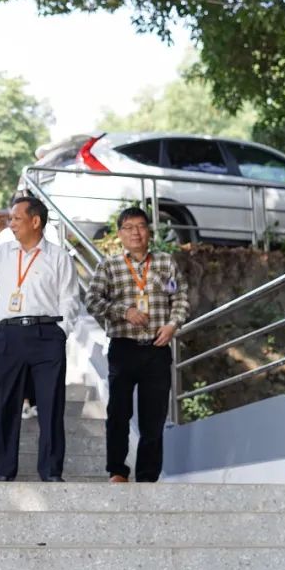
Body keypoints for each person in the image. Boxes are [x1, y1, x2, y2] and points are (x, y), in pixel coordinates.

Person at [0, 196, 78, 481]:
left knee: (51, 405)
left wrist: (61, 333)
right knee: (4, 405)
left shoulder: (59, 257)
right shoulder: (2, 253)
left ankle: (51, 472)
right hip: (9, 334)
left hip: (47, 335)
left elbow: (70, 300)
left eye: (17, 218)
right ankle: (4, 472)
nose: (11, 224)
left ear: (35, 221)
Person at [85, 206, 190, 483]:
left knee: (153, 419)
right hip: (123, 348)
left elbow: (180, 298)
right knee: (118, 413)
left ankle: (147, 477)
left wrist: (173, 325)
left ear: (149, 232)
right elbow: (92, 300)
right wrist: (124, 312)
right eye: (129, 227)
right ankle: (117, 471)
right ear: (120, 234)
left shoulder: (165, 263)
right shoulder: (109, 266)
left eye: (141, 226)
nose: (136, 233)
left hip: (157, 349)